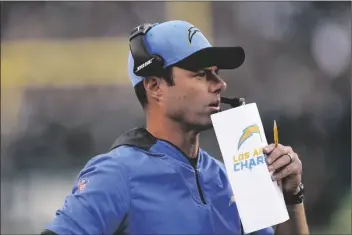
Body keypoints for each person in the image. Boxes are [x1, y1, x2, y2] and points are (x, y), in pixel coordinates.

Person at [41, 20, 309, 235]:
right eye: (201, 73)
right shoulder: (116, 174)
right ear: (154, 86)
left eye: (217, 73)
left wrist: (290, 196)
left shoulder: (227, 178)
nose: (219, 84)